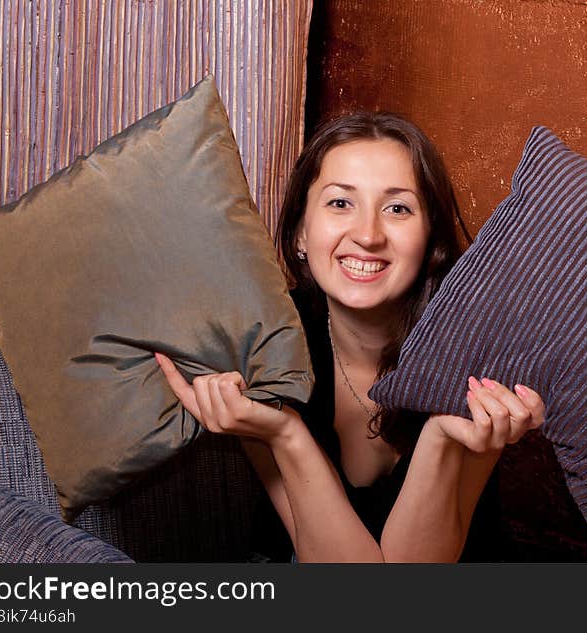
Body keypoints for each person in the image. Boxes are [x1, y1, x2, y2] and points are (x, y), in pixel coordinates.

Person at [155, 112, 545, 562]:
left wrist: (440, 436)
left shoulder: (472, 353)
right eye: (340, 203)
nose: (367, 234)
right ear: (301, 231)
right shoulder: (264, 346)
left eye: (397, 208)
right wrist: (285, 434)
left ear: (431, 240)